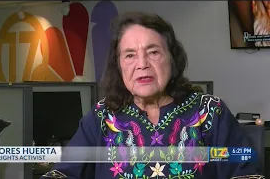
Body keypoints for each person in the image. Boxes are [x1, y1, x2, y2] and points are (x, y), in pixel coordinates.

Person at [41, 12, 265, 179]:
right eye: (129, 55)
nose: (142, 64)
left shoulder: (209, 112)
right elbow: (63, 172)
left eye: (153, 52)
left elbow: (245, 173)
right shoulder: (102, 117)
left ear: (172, 58)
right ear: (118, 66)